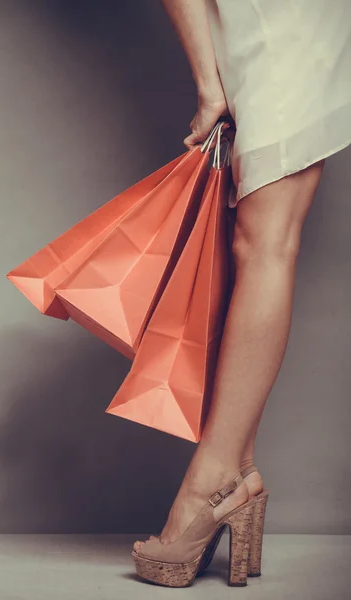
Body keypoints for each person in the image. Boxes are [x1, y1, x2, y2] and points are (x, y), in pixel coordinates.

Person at [131, 0, 351, 588]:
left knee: (264, 241)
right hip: (247, 20)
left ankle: (213, 481)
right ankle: (235, 474)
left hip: (285, 21)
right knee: (254, 241)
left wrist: (210, 83)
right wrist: (211, 76)